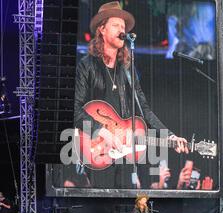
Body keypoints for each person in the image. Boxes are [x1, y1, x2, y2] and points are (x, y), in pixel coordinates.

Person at [73, 1, 189, 189]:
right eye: (116, 25)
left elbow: (144, 109)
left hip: (123, 153)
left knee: (126, 207)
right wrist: (102, 131)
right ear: (102, 29)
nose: (122, 29)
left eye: (123, 26)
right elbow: (74, 109)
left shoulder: (127, 70)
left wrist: (170, 137)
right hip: (96, 149)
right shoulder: (87, 66)